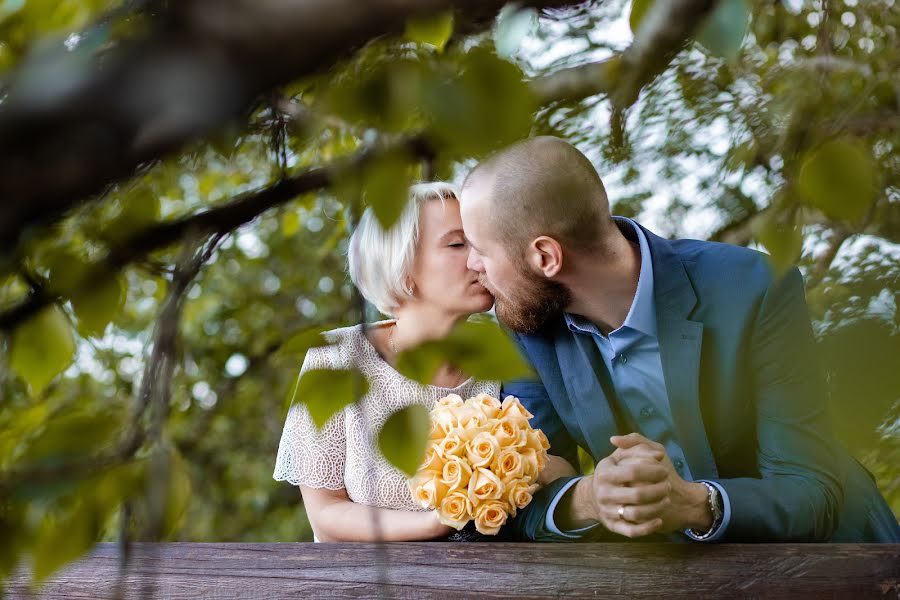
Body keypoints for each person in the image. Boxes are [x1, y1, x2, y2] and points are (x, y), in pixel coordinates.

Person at [458, 136, 900, 543]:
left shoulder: (755, 289)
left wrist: (692, 503)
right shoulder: (529, 330)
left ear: (545, 256)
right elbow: (521, 497)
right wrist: (590, 497)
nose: (471, 265)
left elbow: (812, 490)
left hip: (840, 561)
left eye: (479, 248)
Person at [273, 181, 576, 542]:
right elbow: (325, 513)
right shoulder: (335, 357)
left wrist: (519, 466)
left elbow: (559, 470)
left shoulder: (511, 349)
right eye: (456, 244)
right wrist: (437, 523)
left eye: (477, 243)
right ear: (403, 268)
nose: (477, 259)